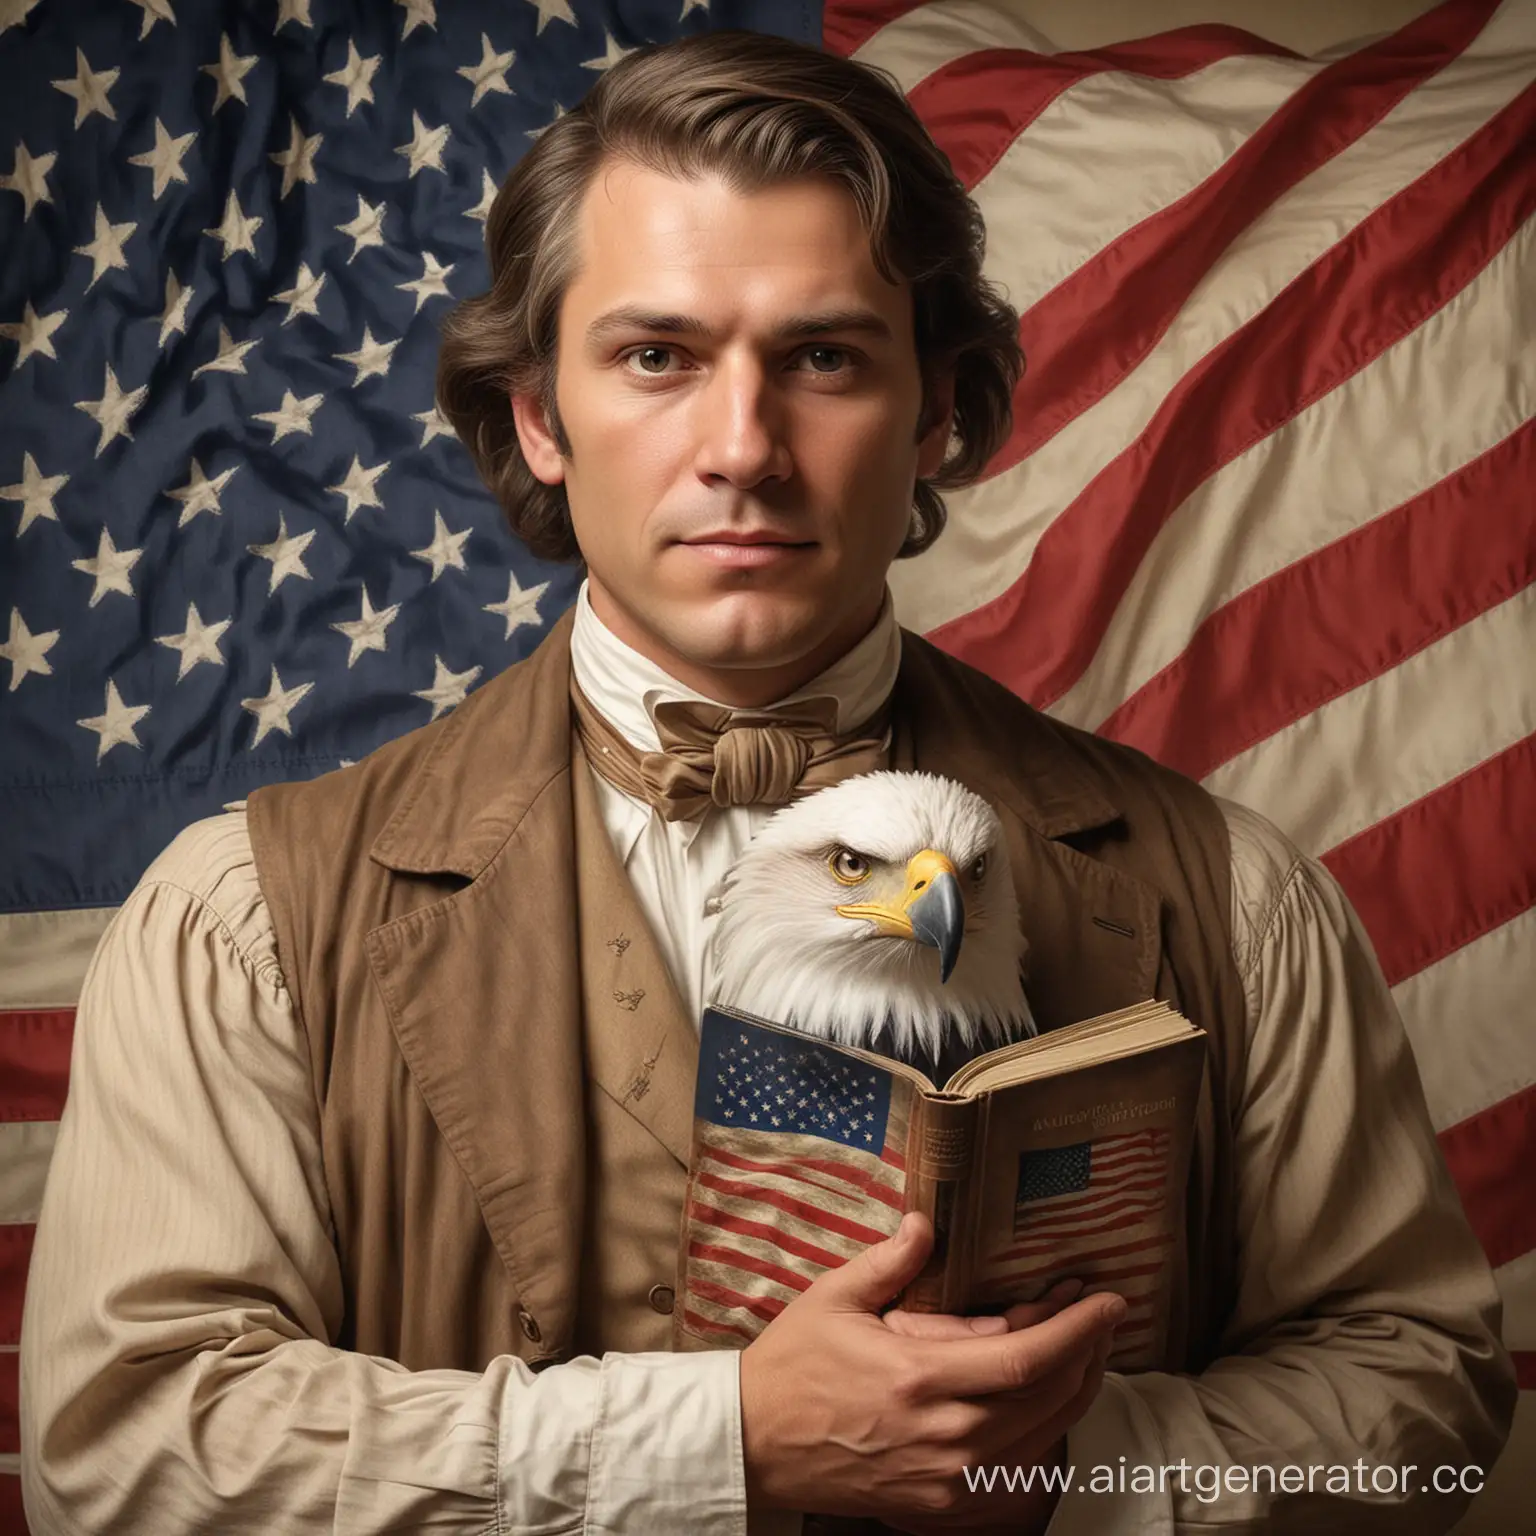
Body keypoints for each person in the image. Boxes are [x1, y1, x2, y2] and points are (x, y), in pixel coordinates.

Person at [20, 27, 1515, 1536]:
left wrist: (1067, 1468)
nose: (743, 449)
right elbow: (129, 1449)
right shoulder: (248, 917)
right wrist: (715, 1444)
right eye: (656, 356)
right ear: (541, 416)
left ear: (935, 409)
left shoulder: (1239, 902)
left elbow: (1426, 1395)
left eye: (822, 358)